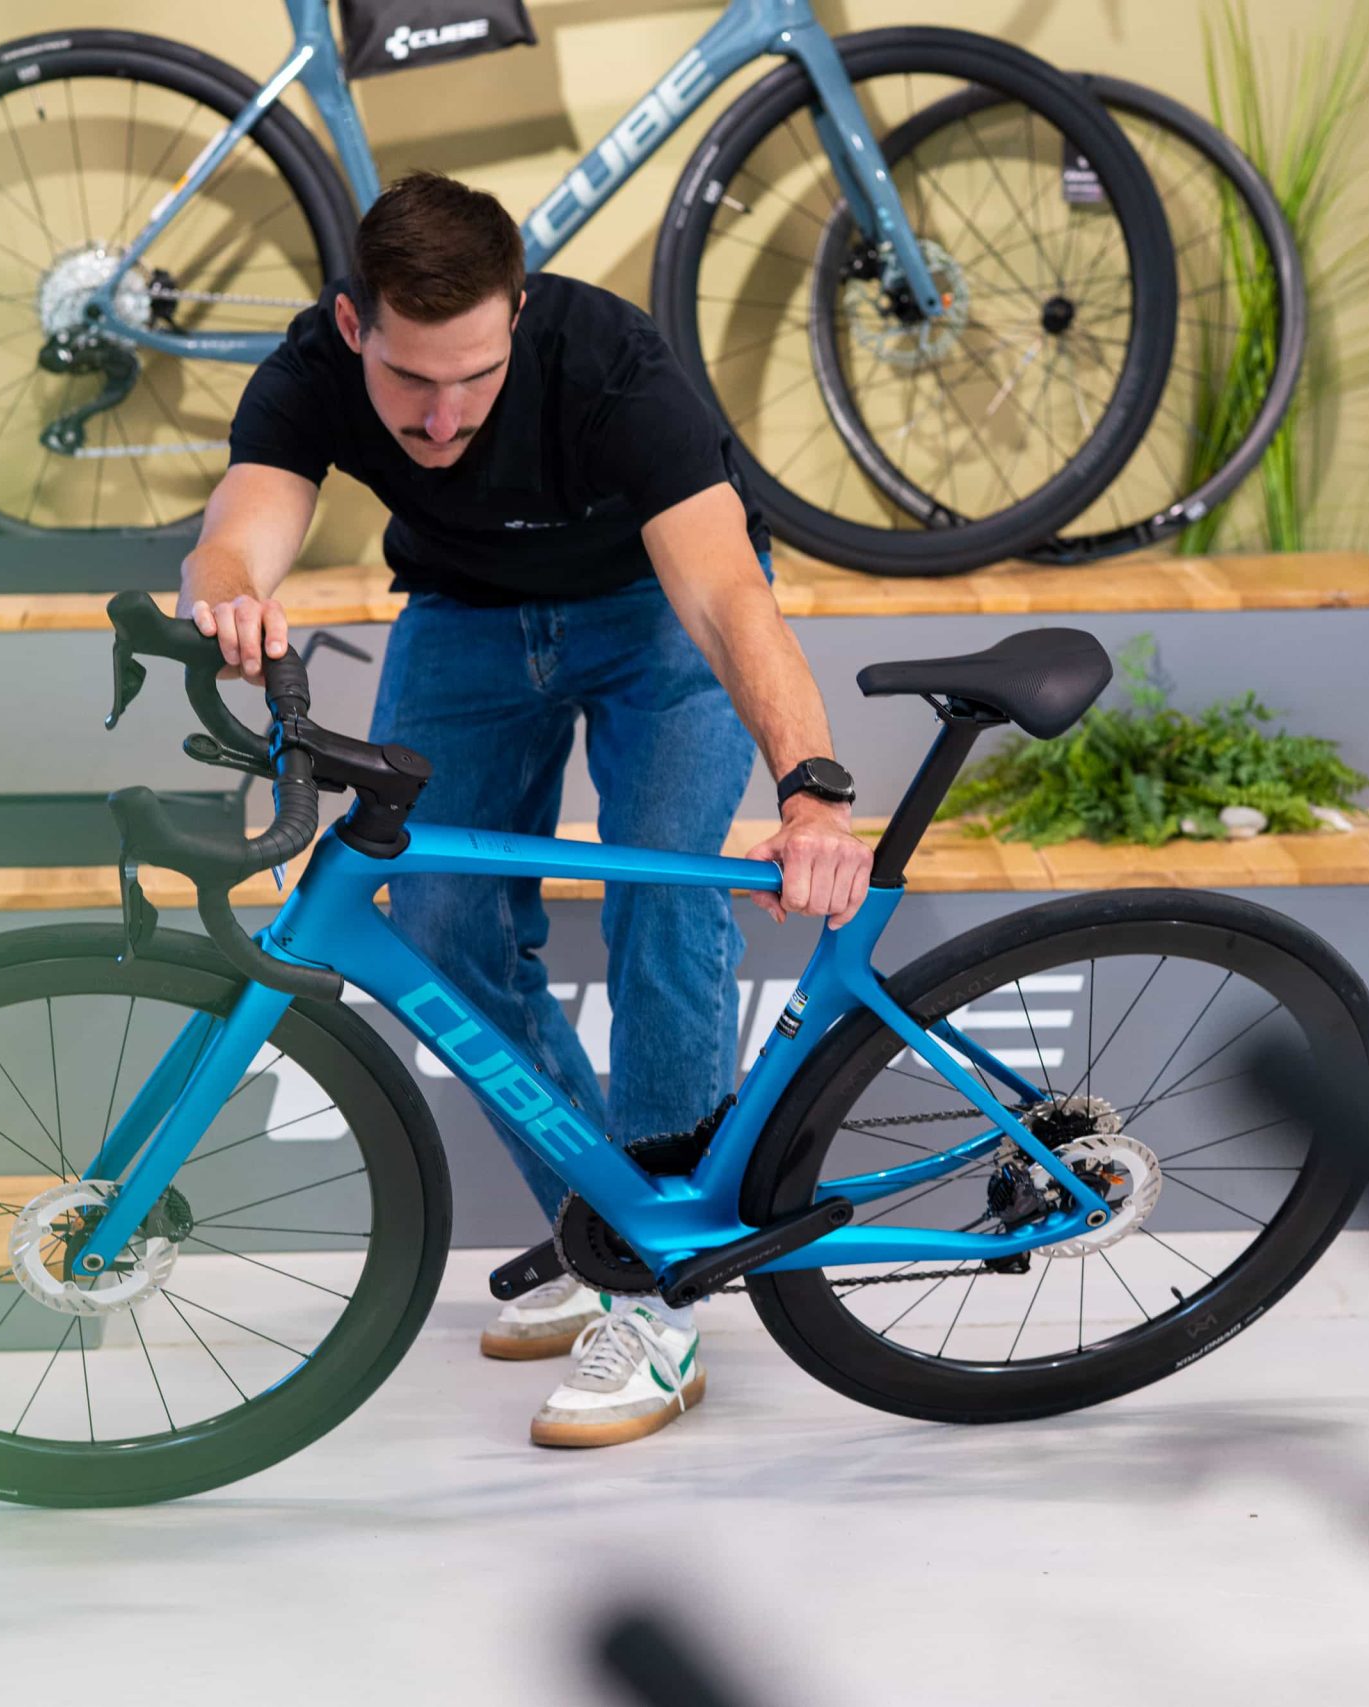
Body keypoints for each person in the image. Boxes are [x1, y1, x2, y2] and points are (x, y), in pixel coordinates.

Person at [181, 170, 871, 1448]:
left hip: (650, 617)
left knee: (663, 900)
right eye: (409, 382)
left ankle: (661, 1296)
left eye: (476, 377)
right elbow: (242, 526)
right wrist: (226, 595)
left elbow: (723, 593)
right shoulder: (312, 366)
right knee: (436, 926)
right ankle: (605, 1234)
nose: (441, 419)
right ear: (353, 328)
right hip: (466, 620)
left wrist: (813, 789)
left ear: (517, 313)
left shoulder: (609, 360)